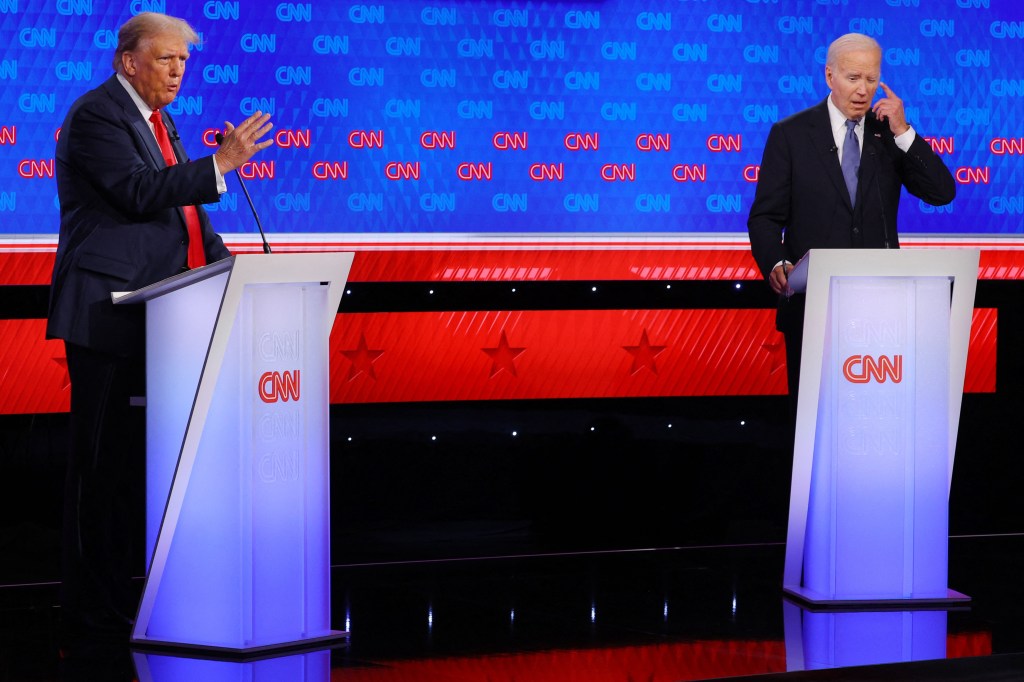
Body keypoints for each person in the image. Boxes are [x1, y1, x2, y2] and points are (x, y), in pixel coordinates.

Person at [46, 12, 274, 638]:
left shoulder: (157, 120)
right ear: (129, 62)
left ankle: (131, 599)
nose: (178, 71)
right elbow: (139, 192)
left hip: (158, 315)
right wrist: (220, 162)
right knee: (101, 469)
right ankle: (88, 613)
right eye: (166, 59)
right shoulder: (97, 115)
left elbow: (180, 216)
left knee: (136, 471)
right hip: (106, 315)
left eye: (183, 61)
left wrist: (232, 265)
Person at [747, 32, 956, 404]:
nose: (863, 90)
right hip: (813, 307)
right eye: (853, 78)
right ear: (830, 76)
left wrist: (904, 132)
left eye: (872, 80)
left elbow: (942, 192)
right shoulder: (790, 134)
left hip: (881, 310)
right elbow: (764, 217)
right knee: (813, 418)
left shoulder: (888, 134)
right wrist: (776, 262)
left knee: (875, 415)